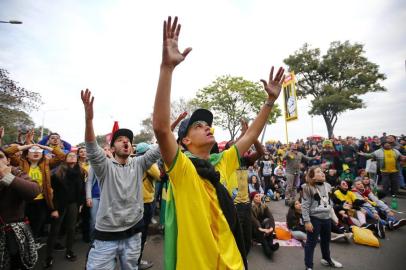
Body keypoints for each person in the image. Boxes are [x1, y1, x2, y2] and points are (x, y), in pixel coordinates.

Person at [152, 15, 285, 270]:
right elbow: (160, 127)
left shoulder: (220, 164)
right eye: (199, 126)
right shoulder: (183, 170)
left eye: (208, 124)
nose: (208, 127)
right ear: (186, 140)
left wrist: (269, 102)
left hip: (233, 263)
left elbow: (249, 136)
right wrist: (166, 68)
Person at [81, 90, 161, 270]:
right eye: (120, 140)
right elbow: (92, 148)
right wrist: (89, 120)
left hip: (133, 234)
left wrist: (167, 130)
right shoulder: (104, 166)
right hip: (106, 237)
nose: (125, 142)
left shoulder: (140, 163)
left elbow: (159, 148)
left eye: (128, 140)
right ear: (112, 147)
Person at [4, 142, 65, 242]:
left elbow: (62, 156)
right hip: (23, 201)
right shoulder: (20, 163)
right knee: (22, 228)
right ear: (27, 155)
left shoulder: (46, 164)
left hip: (41, 202)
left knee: (36, 227)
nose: (36, 152)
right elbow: (7, 153)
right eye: (32, 151)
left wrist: (44, 147)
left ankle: (32, 248)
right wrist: (27, 146)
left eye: (39, 151)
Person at [0, 147, 41, 270]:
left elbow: (34, 191)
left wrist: (7, 176)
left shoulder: (16, 172)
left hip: (12, 232)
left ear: (8, 160)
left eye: (0, 157)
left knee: (16, 262)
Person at [44, 151, 86, 268]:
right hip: (59, 205)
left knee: (72, 228)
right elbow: (51, 193)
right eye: (70, 155)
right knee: (54, 230)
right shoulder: (57, 173)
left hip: (73, 204)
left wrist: (81, 203)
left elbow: (82, 189)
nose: (73, 156)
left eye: (75, 156)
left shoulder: (80, 172)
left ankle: (69, 251)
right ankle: (49, 257)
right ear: (64, 159)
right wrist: (53, 209)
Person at [302, 166, 343, 269]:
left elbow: (329, 202)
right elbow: (305, 206)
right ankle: (309, 266)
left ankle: (326, 259)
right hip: (314, 219)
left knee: (326, 241)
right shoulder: (307, 188)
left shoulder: (328, 186)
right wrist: (307, 221)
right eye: (318, 172)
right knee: (311, 243)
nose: (322, 173)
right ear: (313, 177)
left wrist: (333, 216)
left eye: (322, 171)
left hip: (326, 218)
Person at [136, 142, 161, 270]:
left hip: (135, 200)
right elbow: (159, 176)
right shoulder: (148, 163)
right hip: (146, 200)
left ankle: (132, 260)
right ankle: (137, 261)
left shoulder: (133, 160)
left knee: (135, 233)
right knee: (142, 232)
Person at [250, 192, 279, 259]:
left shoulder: (264, 206)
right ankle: (267, 250)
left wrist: (271, 228)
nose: (259, 197)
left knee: (268, 222)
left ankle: (271, 245)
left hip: (262, 227)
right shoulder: (250, 208)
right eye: (256, 196)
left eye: (259, 196)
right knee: (260, 232)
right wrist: (261, 228)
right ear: (252, 199)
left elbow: (271, 217)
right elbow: (254, 220)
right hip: (254, 229)